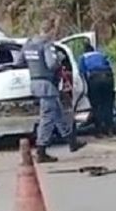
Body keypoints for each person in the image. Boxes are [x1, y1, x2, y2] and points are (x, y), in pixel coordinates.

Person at [22, 19, 85, 163]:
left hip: (35, 83)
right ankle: (41, 150)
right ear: (50, 31)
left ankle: (71, 141)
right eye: (54, 31)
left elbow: (20, 61)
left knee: (58, 113)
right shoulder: (46, 45)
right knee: (47, 117)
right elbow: (51, 64)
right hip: (47, 85)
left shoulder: (28, 45)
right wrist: (58, 62)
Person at [79, 40, 116, 138]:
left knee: (96, 106)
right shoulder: (100, 54)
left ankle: (99, 131)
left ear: (84, 51)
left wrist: (87, 88)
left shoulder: (83, 57)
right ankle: (110, 130)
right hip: (108, 78)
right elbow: (110, 66)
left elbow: (81, 72)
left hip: (95, 79)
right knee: (108, 104)